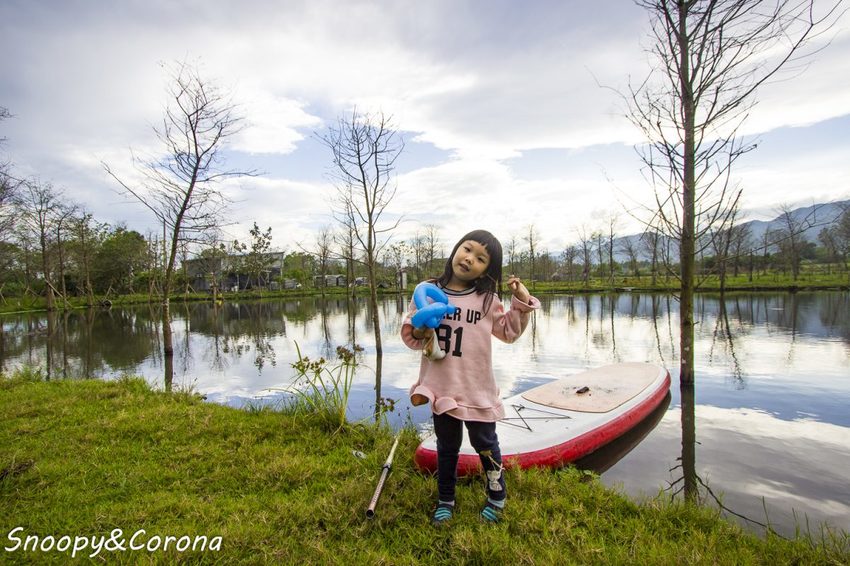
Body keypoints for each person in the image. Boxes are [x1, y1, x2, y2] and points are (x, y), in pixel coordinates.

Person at [401, 229, 540, 525]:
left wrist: (521, 302)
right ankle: (445, 499)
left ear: (487, 270)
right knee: (447, 446)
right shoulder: (426, 291)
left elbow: (509, 332)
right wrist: (421, 329)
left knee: (485, 443)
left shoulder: (486, 300)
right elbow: (412, 335)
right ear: (455, 249)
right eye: (467, 249)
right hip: (442, 387)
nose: (469, 259)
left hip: (477, 388)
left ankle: (496, 495)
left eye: (480, 258)